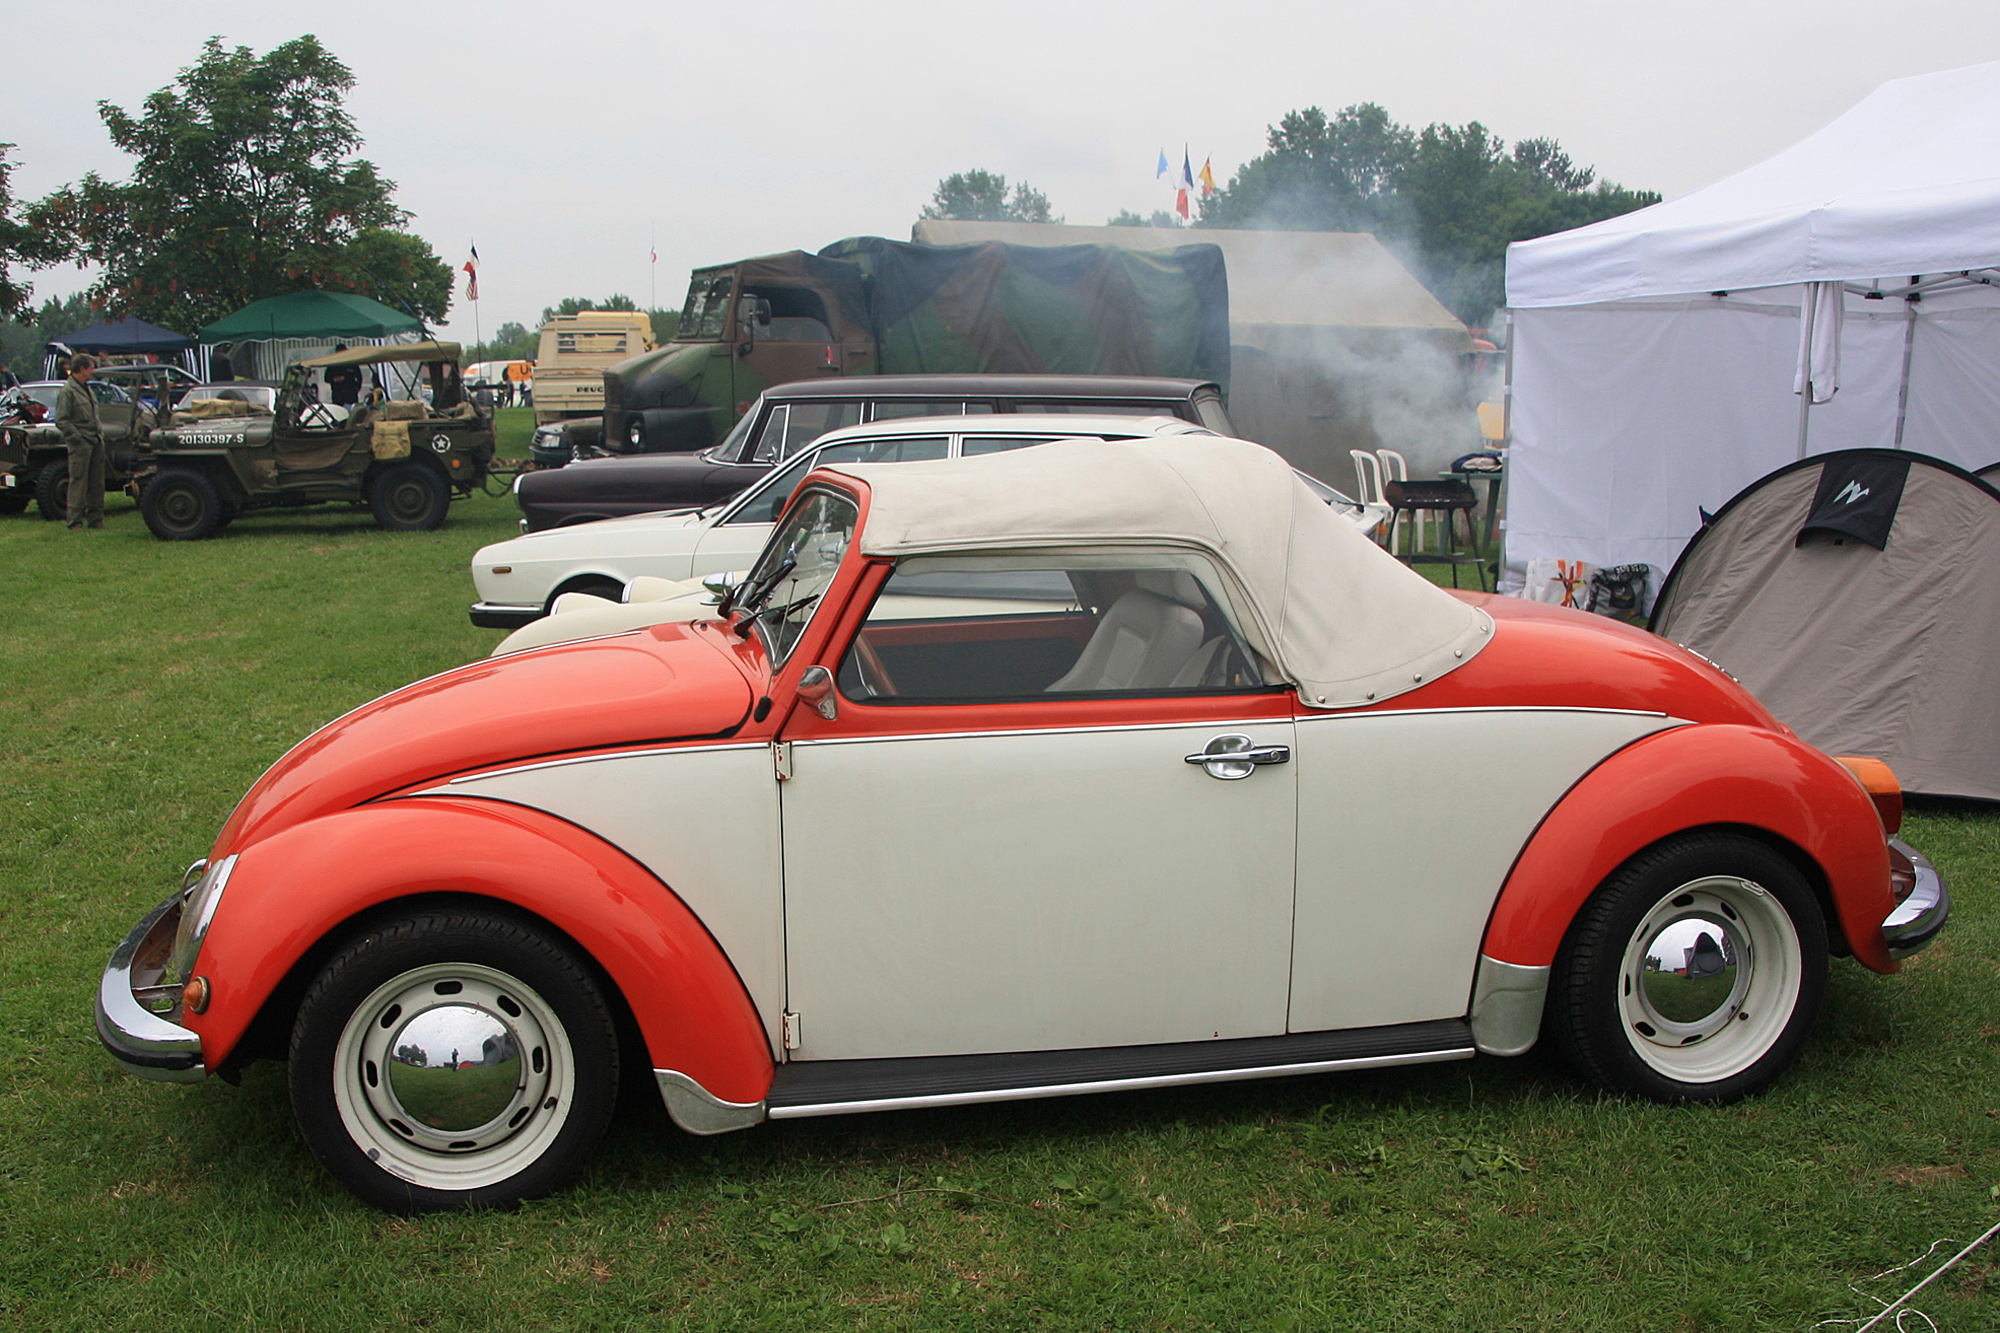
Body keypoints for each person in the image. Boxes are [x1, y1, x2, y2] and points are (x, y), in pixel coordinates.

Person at [54, 354, 105, 530]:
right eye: (90, 367)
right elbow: (61, 420)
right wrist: (77, 439)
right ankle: (75, 521)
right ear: (82, 369)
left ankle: (95, 519)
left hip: (95, 440)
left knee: (96, 483)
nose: (93, 371)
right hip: (81, 443)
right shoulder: (68, 391)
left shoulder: (86, 389)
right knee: (78, 482)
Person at [326, 344, 362, 408]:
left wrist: (357, 388)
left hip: (351, 394)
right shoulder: (333, 365)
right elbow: (326, 378)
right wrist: (335, 379)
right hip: (338, 395)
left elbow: (359, 377)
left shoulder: (351, 363)